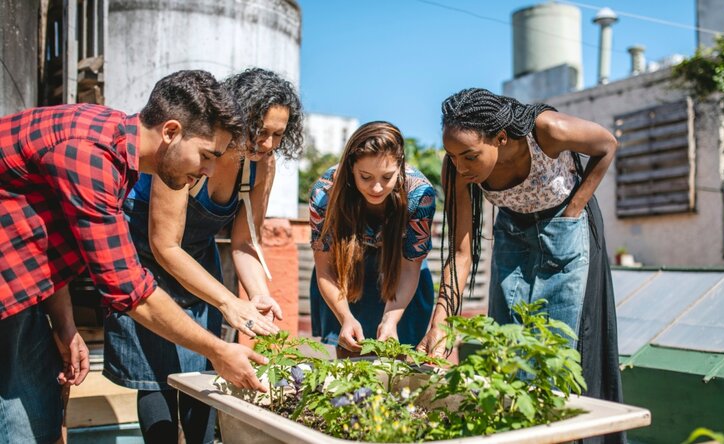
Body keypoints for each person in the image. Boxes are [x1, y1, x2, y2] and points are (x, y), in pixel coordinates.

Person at [0, 70, 269, 444]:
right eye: (206, 155)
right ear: (171, 132)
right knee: (20, 430)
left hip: (20, 293)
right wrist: (219, 350)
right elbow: (128, 289)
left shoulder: (116, 147)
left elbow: (45, 242)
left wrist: (63, 324)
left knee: (37, 421)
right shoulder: (90, 157)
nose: (207, 170)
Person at [103, 68, 304, 443]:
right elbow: (165, 245)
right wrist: (227, 301)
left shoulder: (261, 165)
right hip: (148, 261)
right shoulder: (187, 154)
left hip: (199, 268)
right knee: (155, 375)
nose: (268, 143)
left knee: (205, 372)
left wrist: (256, 295)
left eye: (279, 134)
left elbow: (245, 242)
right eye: (260, 129)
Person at [417, 88, 624, 443]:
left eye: (469, 155)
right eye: (451, 156)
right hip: (512, 233)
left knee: (566, 348)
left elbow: (608, 144)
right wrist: (441, 324)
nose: (459, 166)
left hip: (567, 231)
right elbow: (461, 253)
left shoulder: (548, 131)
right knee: (510, 344)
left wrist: (575, 208)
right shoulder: (458, 171)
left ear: (500, 137)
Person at [309, 121, 436, 357]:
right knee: (351, 354)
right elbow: (325, 269)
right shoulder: (324, 194)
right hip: (346, 272)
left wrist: (390, 320)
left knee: (399, 357)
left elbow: (410, 269)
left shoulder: (420, 195)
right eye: (365, 177)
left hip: (402, 273)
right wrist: (345, 317)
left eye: (387, 177)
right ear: (350, 169)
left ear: (400, 167)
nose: (377, 187)